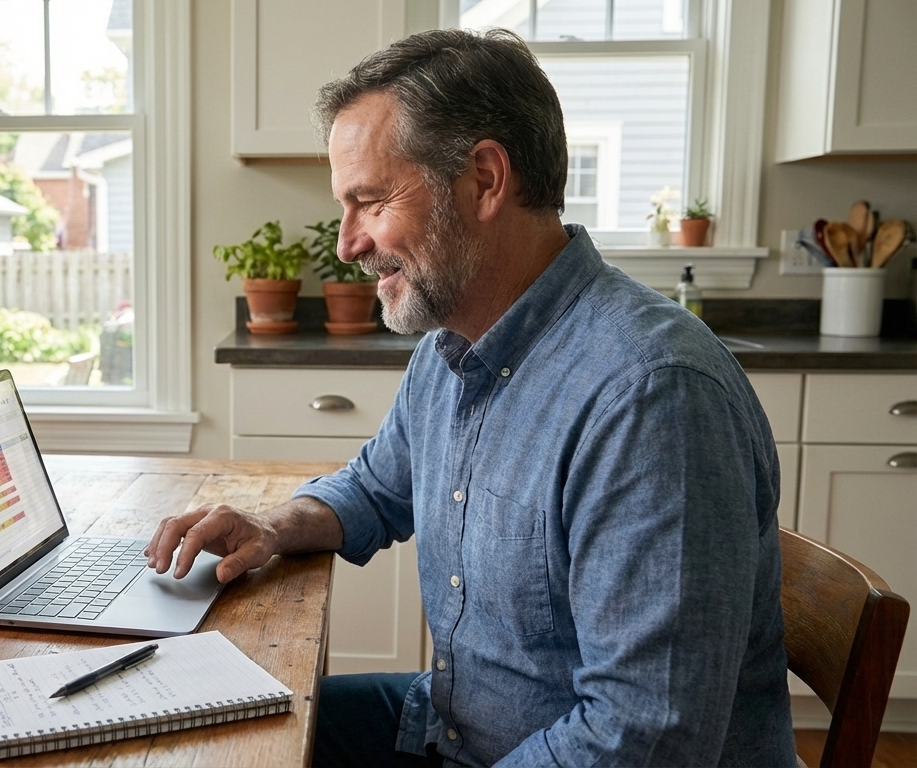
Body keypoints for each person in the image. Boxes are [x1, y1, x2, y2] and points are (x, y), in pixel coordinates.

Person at [147, 27, 797, 766]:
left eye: (368, 201)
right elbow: (377, 486)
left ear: (485, 179)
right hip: (457, 726)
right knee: (195, 738)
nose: (346, 244)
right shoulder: (451, 347)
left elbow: (642, 739)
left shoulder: (652, 398)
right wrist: (274, 524)